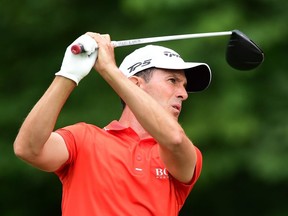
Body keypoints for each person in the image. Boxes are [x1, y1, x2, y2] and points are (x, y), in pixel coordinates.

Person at [13, 32, 211, 216]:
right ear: (134, 84)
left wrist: (108, 69)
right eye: (172, 80)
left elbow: (174, 139)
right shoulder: (83, 139)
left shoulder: (184, 152)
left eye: (184, 86)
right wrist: (68, 74)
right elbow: (28, 149)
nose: (183, 94)